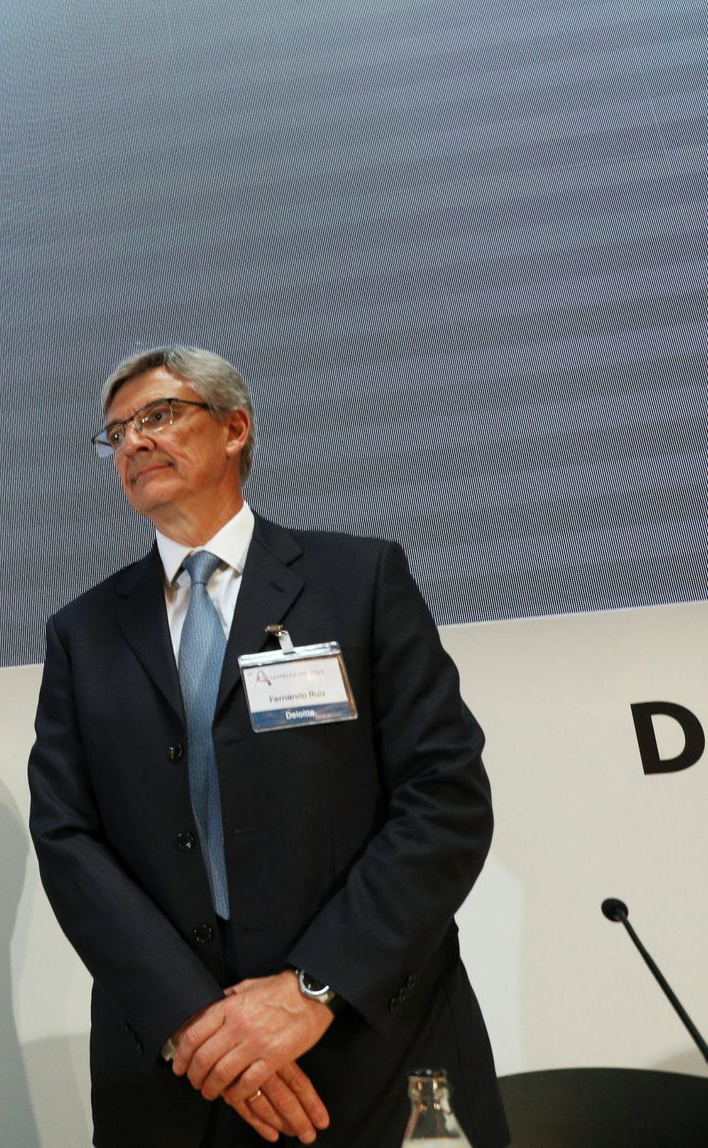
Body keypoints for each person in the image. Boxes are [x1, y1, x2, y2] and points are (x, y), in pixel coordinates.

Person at [27, 346, 507, 1147]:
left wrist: (312, 989)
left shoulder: (358, 580)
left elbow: (444, 798)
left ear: (235, 428)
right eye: (116, 434)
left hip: (368, 1039)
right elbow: (67, 837)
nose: (134, 443)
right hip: (180, 1066)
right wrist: (191, 1018)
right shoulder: (83, 632)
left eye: (159, 415)